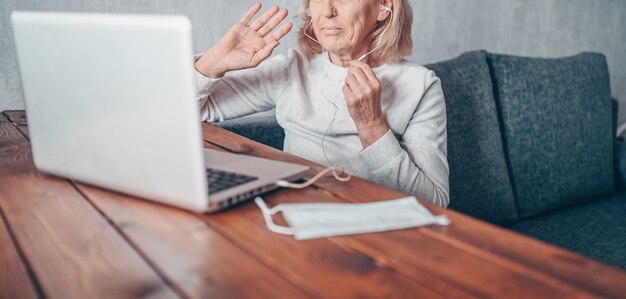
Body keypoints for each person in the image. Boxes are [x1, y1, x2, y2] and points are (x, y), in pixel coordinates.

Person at [193, 0, 449, 207]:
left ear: (384, 7)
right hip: (297, 214)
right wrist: (214, 61)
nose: (327, 11)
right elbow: (192, 110)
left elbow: (434, 201)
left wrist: (372, 126)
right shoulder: (293, 68)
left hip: (377, 228)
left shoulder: (421, 85)